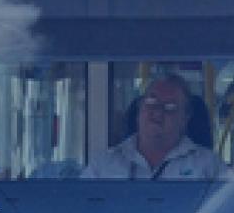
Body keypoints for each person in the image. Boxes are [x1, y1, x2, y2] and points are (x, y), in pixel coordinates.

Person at [81, 72, 222, 179]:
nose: (157, 113)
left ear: (185, 118)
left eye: (170, 107)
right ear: (139, 110)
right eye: (151, 103)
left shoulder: (209, 167)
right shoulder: (102, 166)